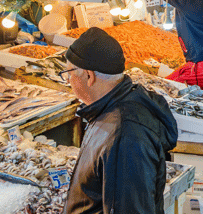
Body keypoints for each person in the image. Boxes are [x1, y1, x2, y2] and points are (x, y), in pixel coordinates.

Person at [63, 28, 178, 214]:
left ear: (88, 76)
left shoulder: (124, 136)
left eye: (69, 73)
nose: (68, 80)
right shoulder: (109, 109)